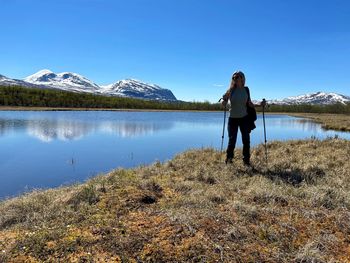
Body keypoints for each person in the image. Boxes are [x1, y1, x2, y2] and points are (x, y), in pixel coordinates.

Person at [221, 71, 265, 166]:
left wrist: (260, 105)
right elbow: (223, 102)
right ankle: (229, 160)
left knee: (246, 140)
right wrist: (223, 102)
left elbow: (249, 103)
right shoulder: (230, 90)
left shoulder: (246, 90)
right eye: (234, 77)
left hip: (244, 118)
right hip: (232, 119)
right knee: (232, 140)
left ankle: (246, 161)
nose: (235, 79)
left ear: (242, 78)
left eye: (237, 77)